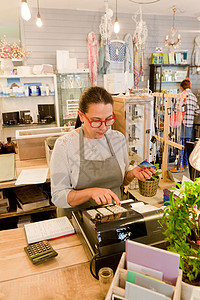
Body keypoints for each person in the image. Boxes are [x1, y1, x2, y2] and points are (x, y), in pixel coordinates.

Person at [50, 86, 156, 217]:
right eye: (96, 121)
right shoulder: (65, 145)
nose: (104, 127)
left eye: (108, 119)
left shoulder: (118, 139)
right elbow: (58, 197)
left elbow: (121, 181)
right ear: (81, 116)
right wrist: (90, 192)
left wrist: (132, 174)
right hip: (76, 221)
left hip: (112, 217)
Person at [170, 79, 200, 172]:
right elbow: (197, 111)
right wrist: (190, 114)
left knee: (179, 145)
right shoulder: (194, 97)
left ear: (182, 87)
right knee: (187, 145)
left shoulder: (181, 96)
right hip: (189, 125)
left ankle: (179, 166)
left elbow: (176, 109)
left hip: (181, 124)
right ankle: (186, 164)